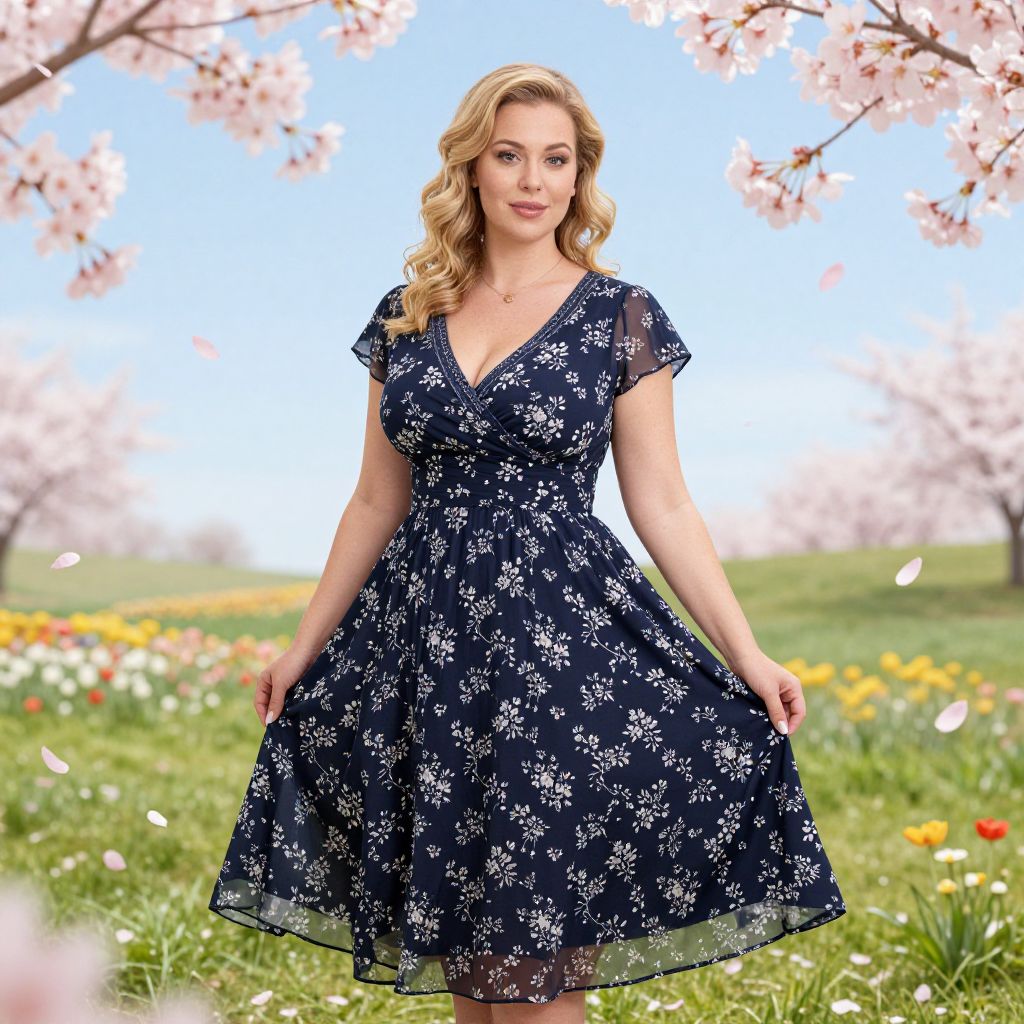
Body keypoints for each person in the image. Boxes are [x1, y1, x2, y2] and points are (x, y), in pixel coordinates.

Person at [208, 63, 846, 1021]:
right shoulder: (406, 312)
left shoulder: (618, 316)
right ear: (471, 166)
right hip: (425, 647)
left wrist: (744, 654)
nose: (532, 179)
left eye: (557, 159)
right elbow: (375, 502)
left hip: (563, 650)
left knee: (538, 970)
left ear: (580, 177)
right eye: (509, 155)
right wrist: (301, 648)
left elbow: (663, 503)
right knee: (472, 967)